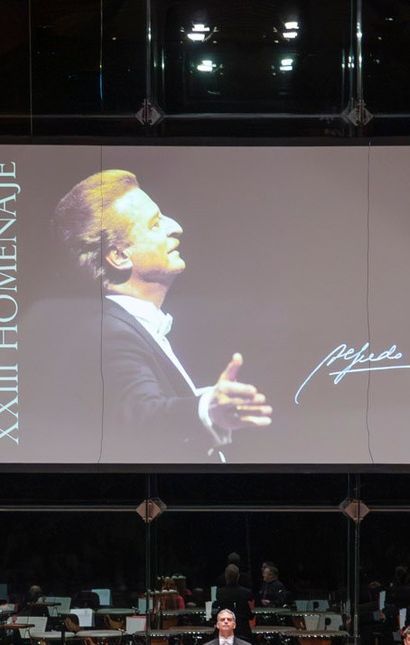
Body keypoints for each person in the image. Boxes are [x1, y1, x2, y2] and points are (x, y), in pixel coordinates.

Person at [51, 168, 272, 460]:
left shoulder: (128, 327)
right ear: (119, 257)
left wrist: (209, 403)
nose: (176, 226)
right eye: (155, 224)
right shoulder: (109, 336)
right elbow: (140, 414)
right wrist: (205, 409)